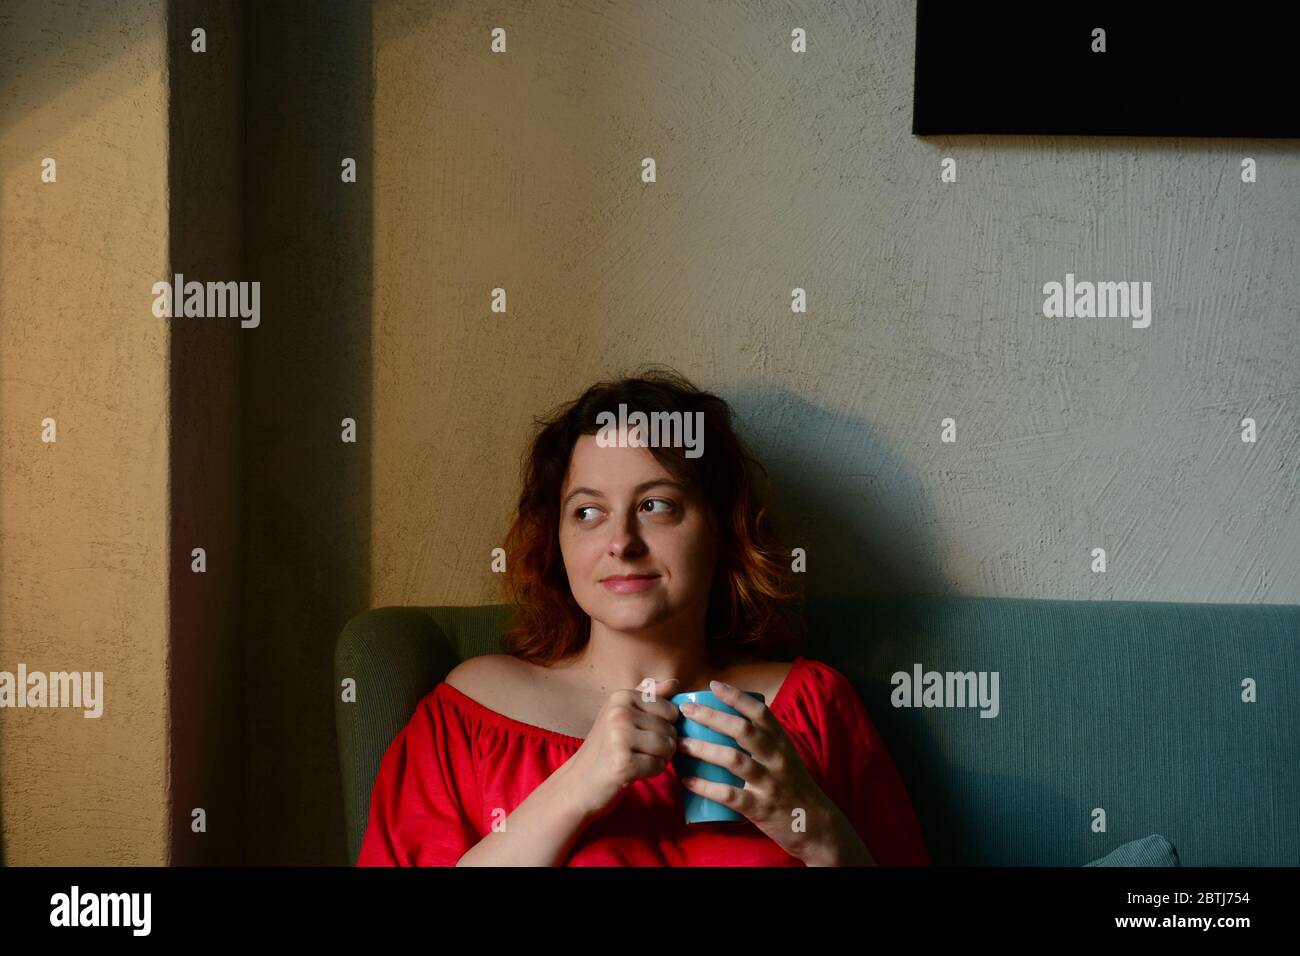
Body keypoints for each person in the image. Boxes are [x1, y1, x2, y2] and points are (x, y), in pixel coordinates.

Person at [356, 367, 929, 866]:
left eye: (656, 505)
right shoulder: (470, 715)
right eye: (587, 512)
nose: (621, 542)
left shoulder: (811, 708)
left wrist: (817, 830)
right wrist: (578, 785)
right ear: (557, 541)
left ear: (722, 531)